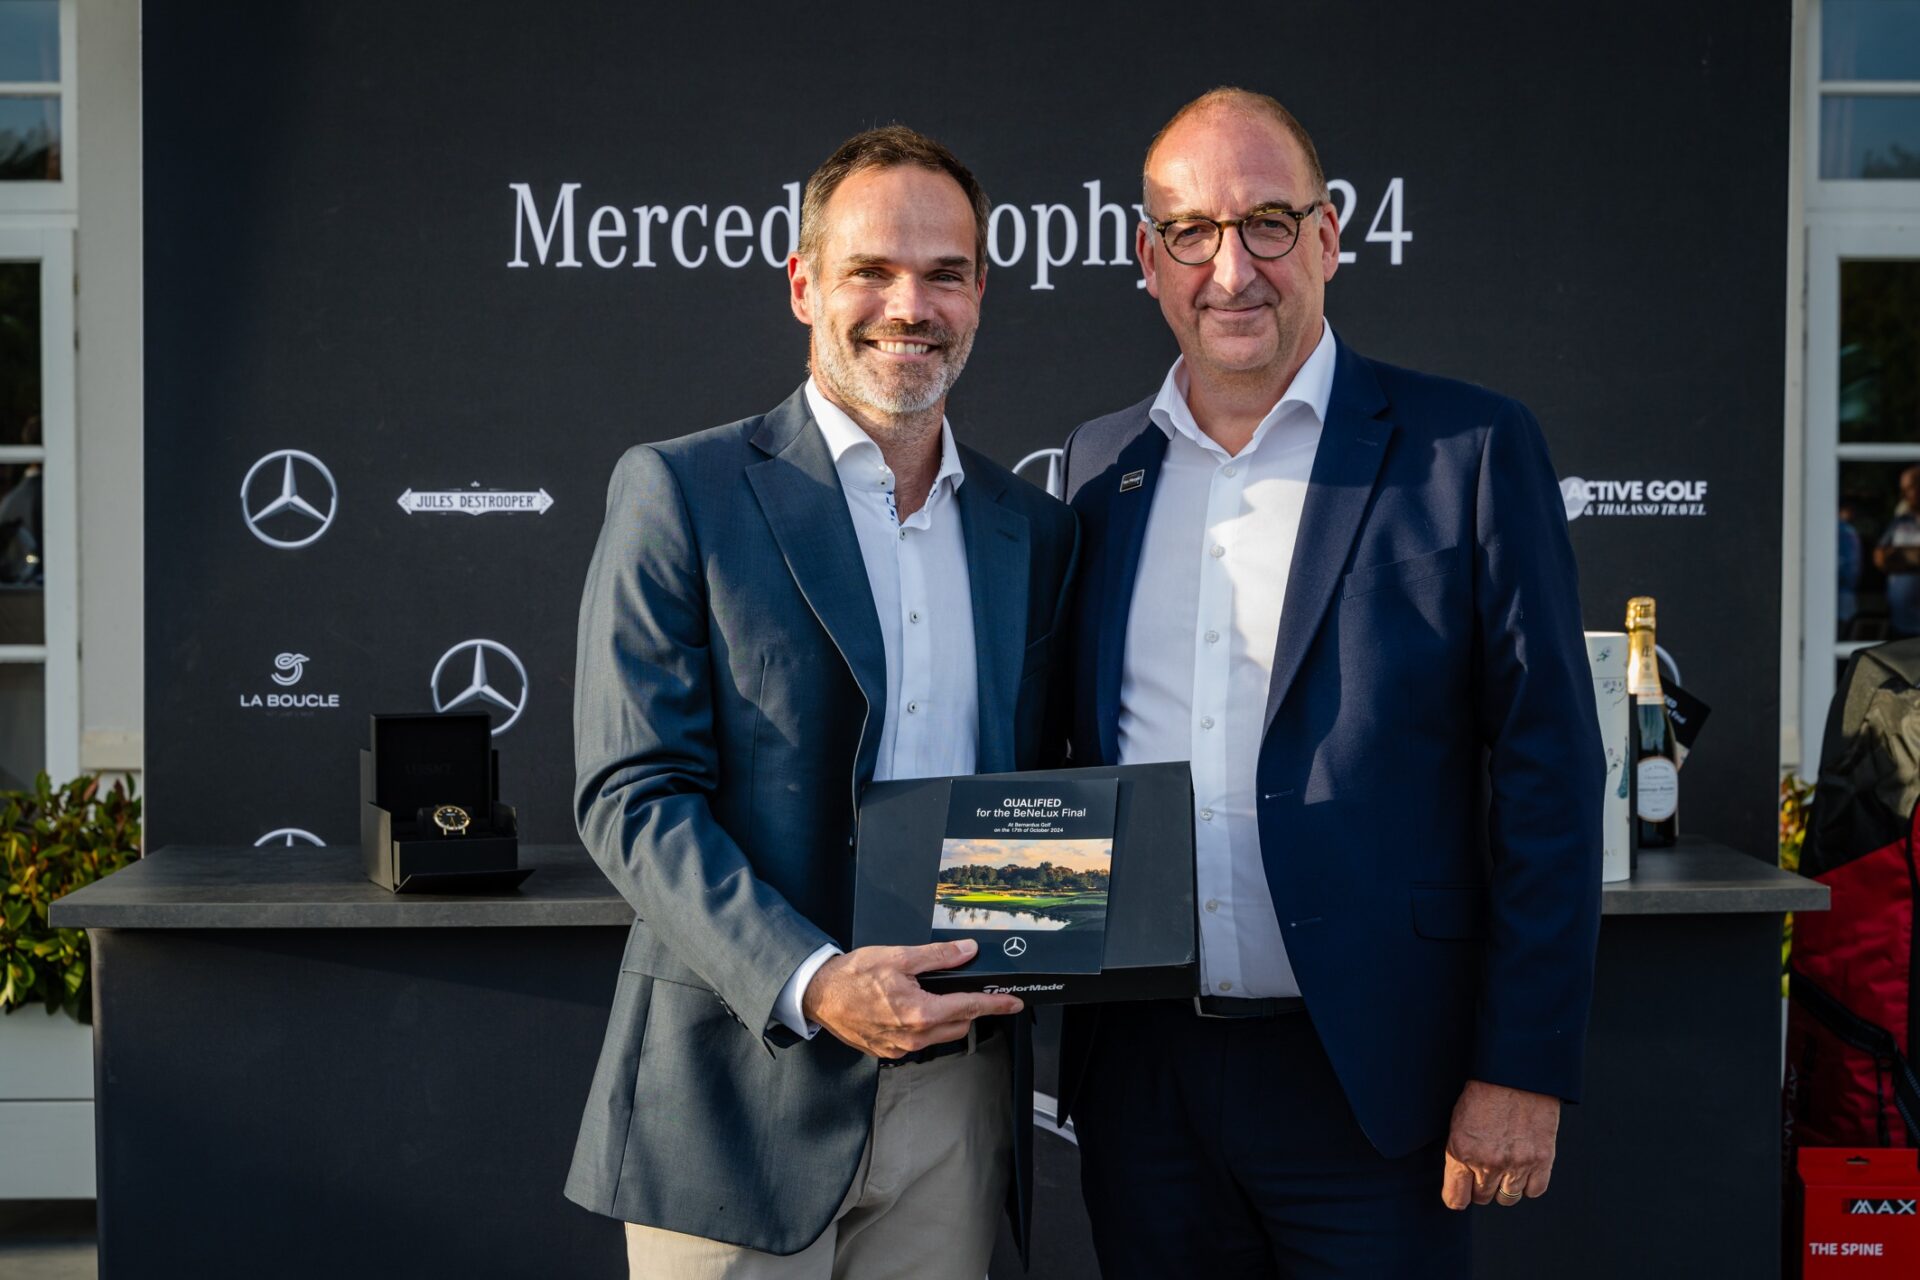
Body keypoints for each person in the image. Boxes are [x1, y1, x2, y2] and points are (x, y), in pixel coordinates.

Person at [1055, 88, 1603, 1277]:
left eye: (1267, 221)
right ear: (1148, 260)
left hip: (1377, 1078)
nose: (1231, 269)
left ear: (1328, 237)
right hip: (1143, 1083)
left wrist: (1523, 1060)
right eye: (1192, 232)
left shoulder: (1467, 448)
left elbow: (1553, 775)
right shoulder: (1102, 466)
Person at [565, 125, 1076, 1279]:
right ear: (804, 284)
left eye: (945, 273)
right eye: (872, 270)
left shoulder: (1033, 531)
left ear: (982, 294)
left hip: (958, 1099)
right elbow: (631, 792)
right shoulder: (681, 490)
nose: (911, 306)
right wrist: (814, 980)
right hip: (739, 1094)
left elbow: (1042, 792)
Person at [1873, 466, 1920, 638]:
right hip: (1901, 623)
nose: (1905, 495)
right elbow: (1880, 558)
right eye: (1903, 489)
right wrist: (1912, 557)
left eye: (1910, 488)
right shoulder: (1901, 521)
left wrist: (1899, 556)